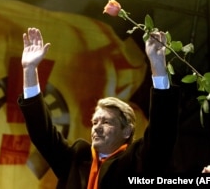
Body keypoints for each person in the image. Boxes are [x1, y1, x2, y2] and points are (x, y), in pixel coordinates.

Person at [17, 27, 181, 188]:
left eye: (106, 122)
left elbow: (162, 133)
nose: (97, 128)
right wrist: (29, 70)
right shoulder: (76, 157)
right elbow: (41, 132)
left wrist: (158, 65)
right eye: (95, 122)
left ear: (127, 131)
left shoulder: (136, 160)